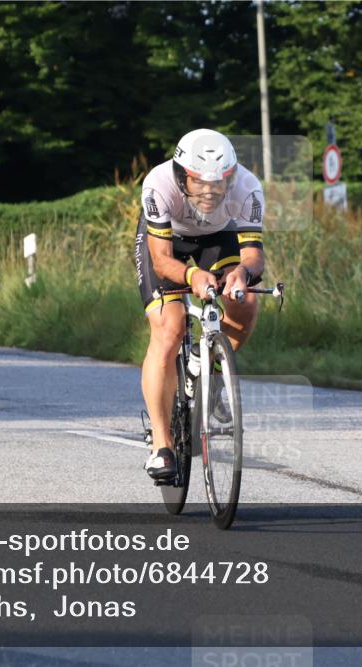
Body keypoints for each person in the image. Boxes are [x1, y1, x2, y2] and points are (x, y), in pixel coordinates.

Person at [134, 129, 265, 480]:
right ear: (181, 176)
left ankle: (208, 371)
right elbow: (161, 261)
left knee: (247, 301)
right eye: (199, 182)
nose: (210, 192)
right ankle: (161, 445)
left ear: (232, 176)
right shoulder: (158, 184)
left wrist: (242, 274)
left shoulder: (248, 187)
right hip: (169, 242)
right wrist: (192, 276)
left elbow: (254, 257)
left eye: (220, 182)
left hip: (219, 238)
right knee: (169, 327)